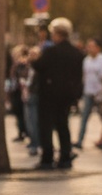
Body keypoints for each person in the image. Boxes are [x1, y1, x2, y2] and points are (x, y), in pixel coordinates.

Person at [31, 17, 84, 170]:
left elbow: (40, 67)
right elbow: (78, 76)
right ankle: (65, 157)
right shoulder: (76, 53)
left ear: (56, 34)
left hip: (49, 94)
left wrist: (34, 60)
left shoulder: (50, 52)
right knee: (63, 125)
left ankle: (47, 158)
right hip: (67, 95)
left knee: (46, 126)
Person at [74, 38, 102, 149]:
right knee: (84, 117)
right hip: (88, 92)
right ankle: (80, 140)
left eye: (92, 46)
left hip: (99, 92)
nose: (89, 48)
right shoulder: (86, 60)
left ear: (98, 48)